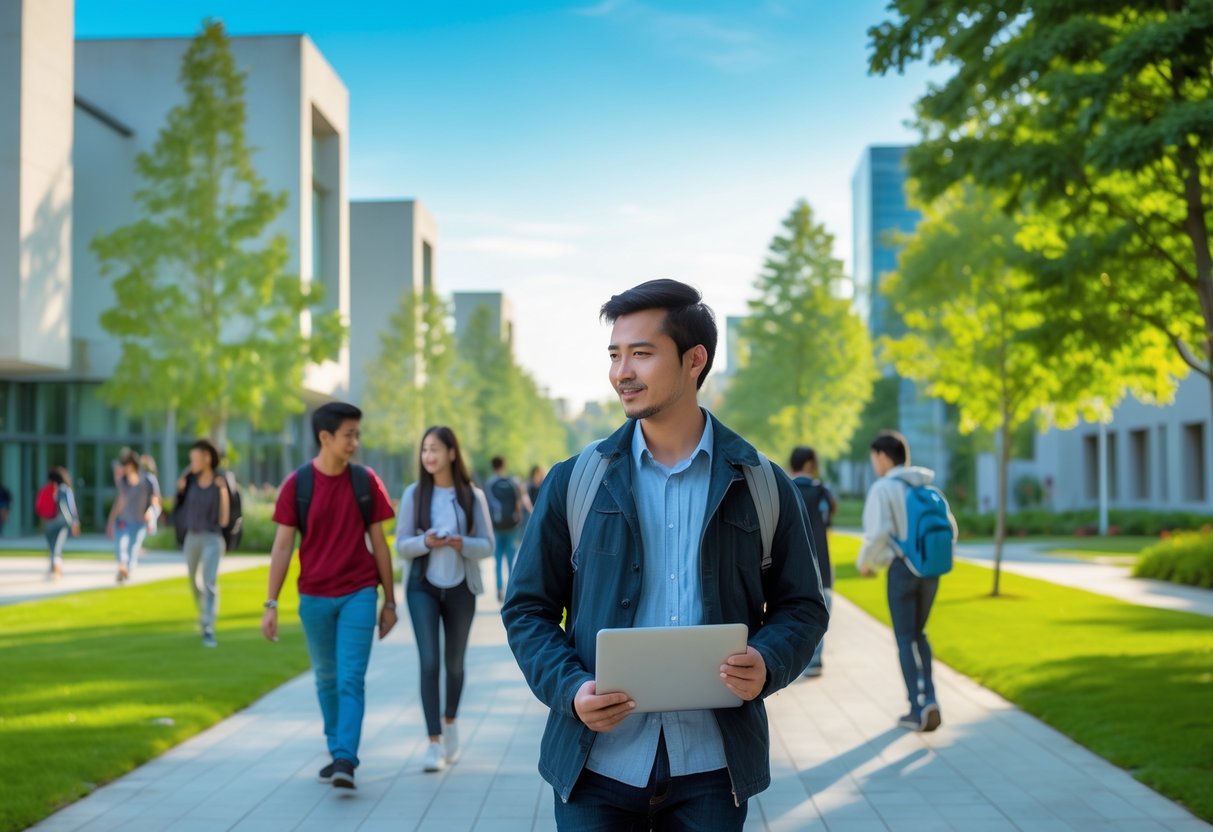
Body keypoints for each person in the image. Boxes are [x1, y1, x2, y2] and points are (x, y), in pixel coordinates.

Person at [501, 279, 828, 830]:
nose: (621, 372)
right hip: (594, 766)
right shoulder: (573, 482)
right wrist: (570, 688)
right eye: (614, 355)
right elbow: (526, 609)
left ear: (694, 360)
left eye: (641, 353)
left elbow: (803, 606)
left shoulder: (763, 484)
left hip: (712, 769)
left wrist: (768, 662)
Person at [262, 402, 398, 791]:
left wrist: (389, 601)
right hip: (315, 598)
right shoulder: (298, 485)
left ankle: (345, 759)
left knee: (351, 678)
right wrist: (270, 603)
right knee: (326, 677)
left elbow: (380, 544)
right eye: (348, 434)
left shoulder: (365, 481)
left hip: (358, 592)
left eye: (357, 433)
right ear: (325, 437)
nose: (355, 441)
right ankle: (337, 748)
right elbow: (283, 547)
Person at [396, 426, 495, 773]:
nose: (428, 456)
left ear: (452, 453)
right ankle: (433, 742)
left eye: (435, 449)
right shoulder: (414, 495)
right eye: (424, 450)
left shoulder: (471, 495)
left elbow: (487, 546)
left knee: (454, 664)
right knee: (428, 663)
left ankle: (450, 722)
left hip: (460, 589)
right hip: (422, 586)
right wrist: (427, 542)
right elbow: (401, 544)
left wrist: (459, 543)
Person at [856, 429, 955, 733]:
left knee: (903, 639)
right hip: (930, 571)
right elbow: (952, 530)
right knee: (919, 634)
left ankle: (916, 708)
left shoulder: (884, 488)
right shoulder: (929, 488)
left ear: (883, 457)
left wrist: (865, 564)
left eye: (875, 458)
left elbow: (877, 533)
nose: (875, 464)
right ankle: (930, 699)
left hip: (901, 570)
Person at [175, 440, 231, 648]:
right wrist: (189, 471)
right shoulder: (190, 482)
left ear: (207, 457)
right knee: (192, 580)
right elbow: (179, 499)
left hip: (212, 538)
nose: (193, 462)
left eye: (196, 458)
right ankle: (204, 613)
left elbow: (225, 520)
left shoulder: (220, 483)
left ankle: (208, 625)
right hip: (192, 537)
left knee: (209, 582)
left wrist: (223, 492)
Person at [789, 446, 836, 678]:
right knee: (822, 608)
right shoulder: (822, 493)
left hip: (791, 565)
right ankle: (815, 659)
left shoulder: (784, 488)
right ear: (809, 463)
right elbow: (828, 520)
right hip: (822, 563)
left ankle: (797, 661)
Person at [107, 449, 160, 583]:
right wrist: (111, 520)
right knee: (119, 547)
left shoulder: (148, 480)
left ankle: (126, 572)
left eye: (125, 465)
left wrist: (151, 513)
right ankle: (122, 568)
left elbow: (156, 501)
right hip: (123, 520)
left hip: (139, 522)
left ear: (132, 465)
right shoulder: (123, 481)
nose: (123, 468)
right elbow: (120, 501)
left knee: (132, 549)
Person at [483, 456, 532, 602]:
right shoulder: (512, 482)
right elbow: (519, 503)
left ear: (493, 467)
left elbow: (487, 505)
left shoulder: (490, 483)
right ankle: (511, 590)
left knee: (497, 558)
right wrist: (519, 519)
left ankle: (499, 587)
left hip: (497, 526)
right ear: (504, 466)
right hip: (512, 525)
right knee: (511, 558)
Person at [40, 468, 80, 579]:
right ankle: (56, 570)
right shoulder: (65, 490)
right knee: (57, 548)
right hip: (61, 522)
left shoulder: (47, 489)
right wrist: (74, 522)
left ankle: (52, 569)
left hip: (48, 523)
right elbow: (70, 508)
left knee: (52, 547)